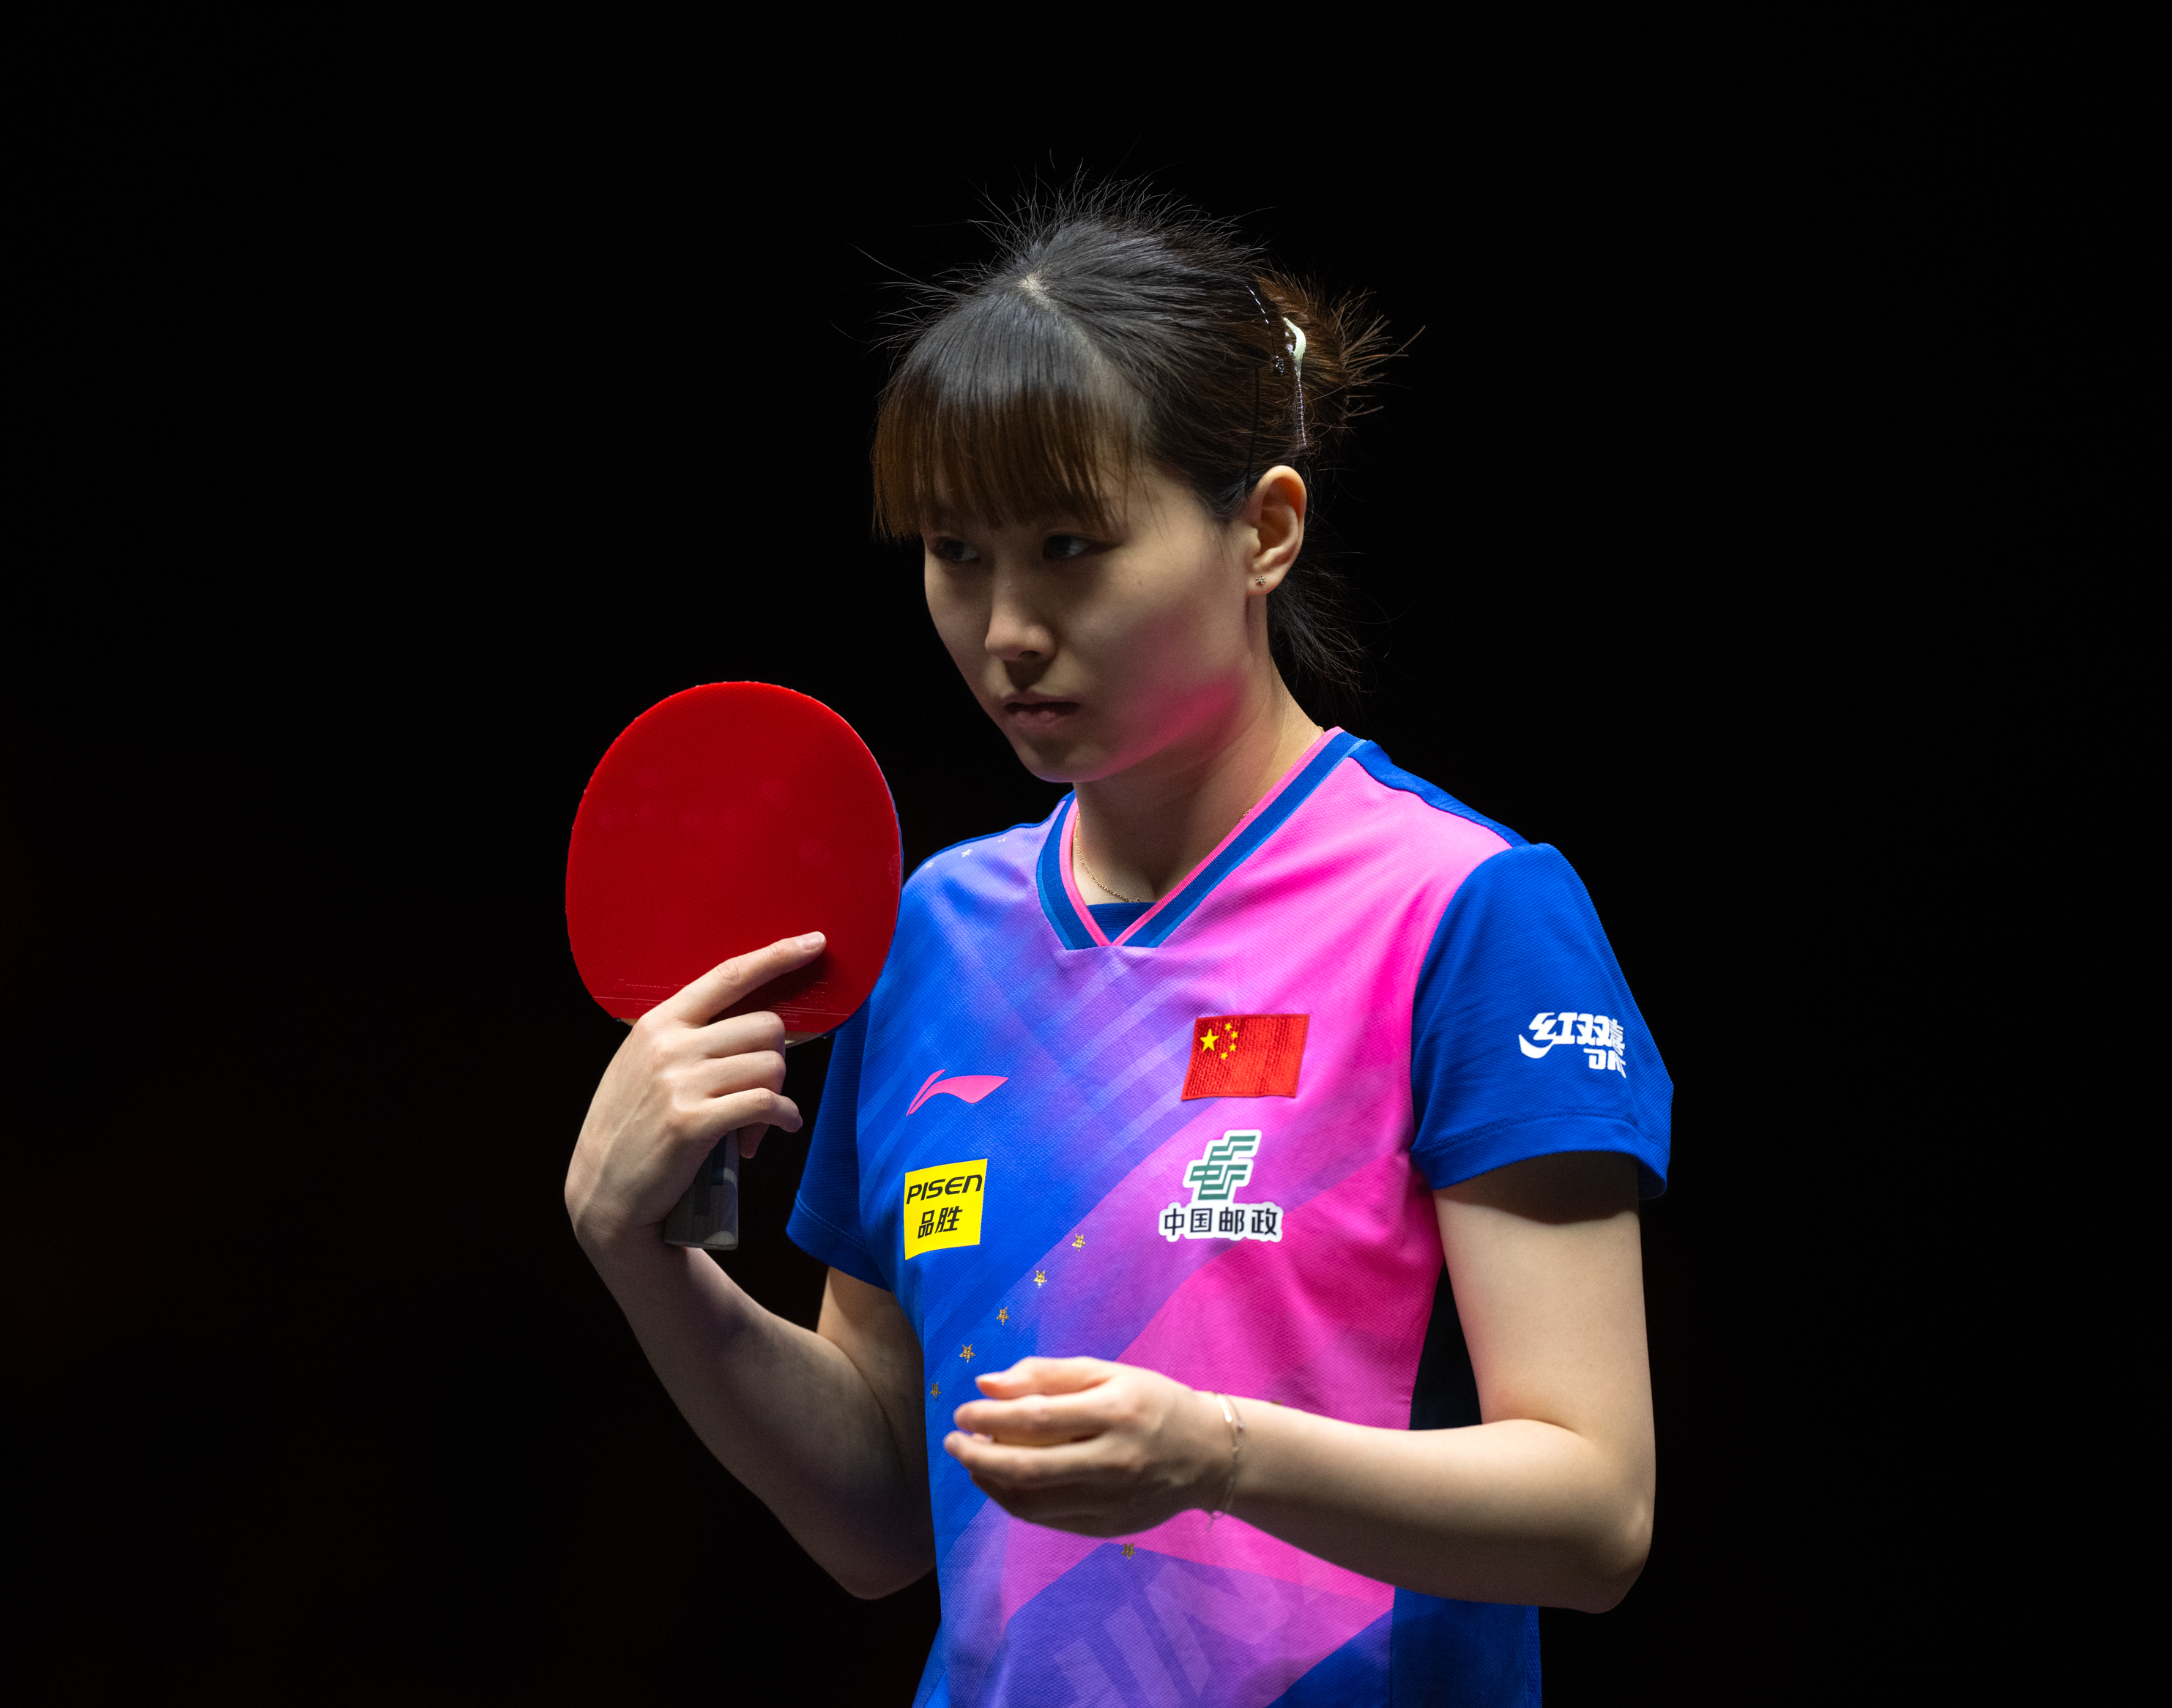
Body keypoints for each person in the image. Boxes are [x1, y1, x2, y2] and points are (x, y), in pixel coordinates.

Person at [564, 187, 1669, 1706]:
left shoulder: (1461, 911)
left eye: (1069, 545)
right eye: (956, 552)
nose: (1006, 629)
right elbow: (879, 1518)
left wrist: (1217, 1452)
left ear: (1263, 531)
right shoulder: (933, 934)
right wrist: (645, 1261)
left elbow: (1595, 1513)